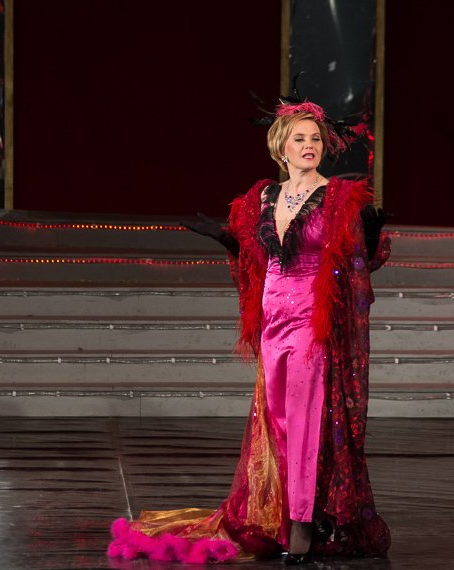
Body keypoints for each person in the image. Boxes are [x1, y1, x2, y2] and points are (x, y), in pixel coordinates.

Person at [108, 100, 391, 565]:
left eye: (315, 139)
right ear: (281, 146)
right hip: (273, 322)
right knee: (276, 423)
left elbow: (354, 265)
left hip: (312, 320)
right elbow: (255, 259)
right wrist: (224, 238)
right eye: (299, 138)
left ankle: (302, 525)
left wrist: (370, 242)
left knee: (304, 422)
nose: (309, 146)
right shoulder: (264, 197)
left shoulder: (338, 197)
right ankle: (284, 514)